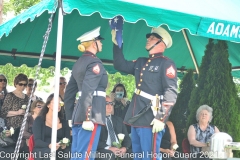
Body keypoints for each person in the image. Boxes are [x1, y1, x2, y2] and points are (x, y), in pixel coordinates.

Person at [111, 26, 178, 160]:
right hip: (136, 115)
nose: (148, 39)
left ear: (162, 42)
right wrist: (117, 44)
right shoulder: (141, 62)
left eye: (153, 38)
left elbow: (170, 92)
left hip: (151, 117)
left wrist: (161, 118)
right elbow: (120, 65)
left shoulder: (166, 63)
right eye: (149, 37)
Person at [64, 26, 108, 160]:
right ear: (94, 43)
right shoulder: (95, 62)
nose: (101, 43)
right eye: (99, 41)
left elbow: (69, 93)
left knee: (77, 155)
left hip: (79, 115)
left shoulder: (78, 63)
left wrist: (71, 116)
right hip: (90, 115)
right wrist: (87, 117)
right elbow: (88, 91)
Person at [32, 94, 70, 160]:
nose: (58, 105)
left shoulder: (64, 121)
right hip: (43, 149)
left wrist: (64, 145)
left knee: (70, 153)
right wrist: (49, 145)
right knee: (50, 153)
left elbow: (67, 138)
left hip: (59, 149)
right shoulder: (39, 120)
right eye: (55, 102)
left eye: (60, 103)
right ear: (48, 105)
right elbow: (37, 141)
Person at [96, 95, 132, 160]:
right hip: (103, 150)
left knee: (134, 154)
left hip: (119, 149)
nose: (109, 106)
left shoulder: (119, 120)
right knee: (109, 155)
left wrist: (124, 148)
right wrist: (109, 148)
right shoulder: (96, 121)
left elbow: (127, 138)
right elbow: (94, 140)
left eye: (111, 103)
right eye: (106, 103)